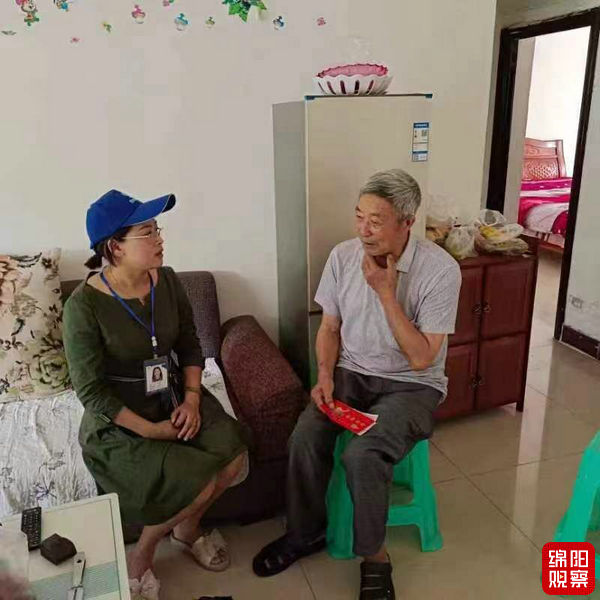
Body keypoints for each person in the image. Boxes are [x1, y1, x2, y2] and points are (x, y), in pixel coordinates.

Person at [253, 169, 461, 600]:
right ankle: (305, 533)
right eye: (359, 217)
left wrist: (386, 293)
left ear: (407, 221)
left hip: (411, 385)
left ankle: (375, 558)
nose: (363, 230)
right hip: (350, 373)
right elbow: (330, 328)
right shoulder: (342, 256)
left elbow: (422, 358)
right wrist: (325, 375)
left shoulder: (441, 270)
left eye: (376, 221)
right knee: (305, 436)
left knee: (363, 455)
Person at [63, 190, 247, 597]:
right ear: (115, 247)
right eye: (146, 232)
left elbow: (190, 343)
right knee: (197, 482)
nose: (159, 238)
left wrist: (193, 398)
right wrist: (149, 430)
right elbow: (91, 391)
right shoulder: (82, 307)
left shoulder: (168, 281)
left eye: (157, 228)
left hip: (173, 397)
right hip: (121, 418)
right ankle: (143, 553)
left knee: (233, 456)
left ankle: (187, 529)